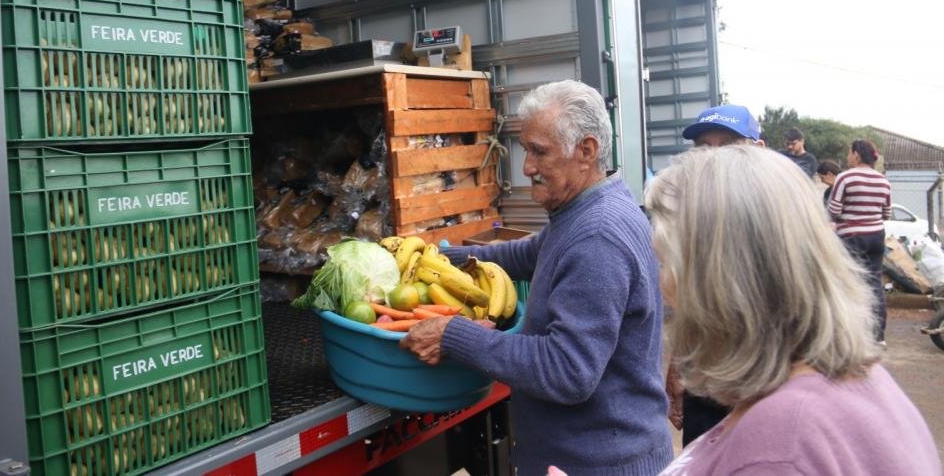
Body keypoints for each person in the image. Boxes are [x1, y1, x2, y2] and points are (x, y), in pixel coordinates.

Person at [400, 80, 672, 475]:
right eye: (526, 150)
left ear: (586, 151)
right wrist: (440, 259)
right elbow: (527, 254)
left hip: (598, 465)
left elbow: (567, 371)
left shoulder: (597, 236)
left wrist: (454, 335)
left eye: (539, 152)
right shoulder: (587, 209)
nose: (526, 167)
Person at [647, 146, 939, 475]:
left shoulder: (776, 448)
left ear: (719, 281)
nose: (662, 284)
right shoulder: (854, 380)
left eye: (666, 264)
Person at [665, 104, 763, 447]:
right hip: (706, 383)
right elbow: (688, 300)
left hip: (762, 384)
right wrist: (678, 366)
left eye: (730, 145)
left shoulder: (779, 221)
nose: (715, 158)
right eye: (705, 148)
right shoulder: (692, 215)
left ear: (759, 150)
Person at [828, 139, 892, 344]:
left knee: (848, 282)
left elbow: (834, 210)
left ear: (856, 155)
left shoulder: (845, 177)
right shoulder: (883, 181)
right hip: (876, 237)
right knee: (874, 283)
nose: (848, 157)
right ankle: (878, 335)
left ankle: (849, 333)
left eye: (849, 152)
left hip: (851, 237)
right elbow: (886, 213)